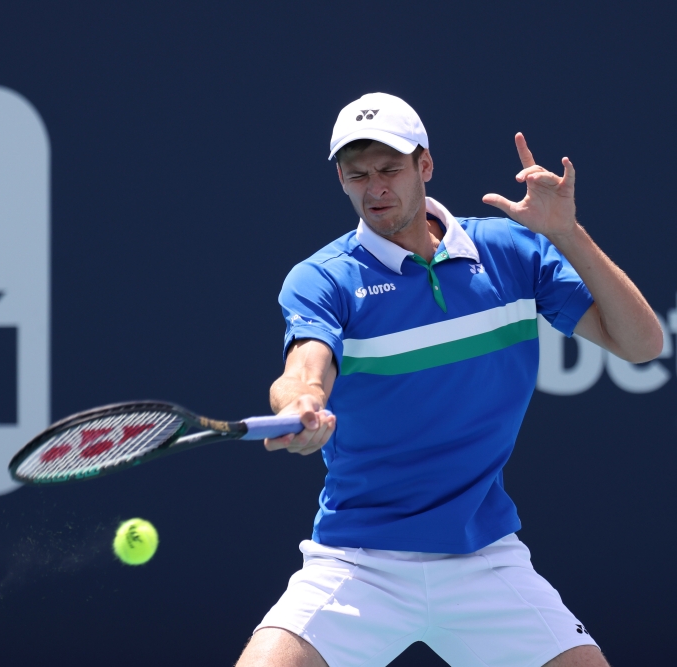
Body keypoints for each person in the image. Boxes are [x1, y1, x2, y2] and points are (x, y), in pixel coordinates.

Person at [236, 92, 662, 667]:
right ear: (340, 178)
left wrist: (567, 232)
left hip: (484, 554)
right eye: (357, 175)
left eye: (389, 169)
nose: (375, 188)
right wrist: (304, 404)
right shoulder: (323, 279)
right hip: (359, 560)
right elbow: (303, 370)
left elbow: (641, 344)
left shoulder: (513, 252)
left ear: (425, 166)